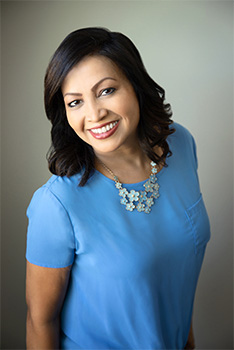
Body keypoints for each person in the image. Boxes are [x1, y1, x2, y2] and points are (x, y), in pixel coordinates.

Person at [25, 27, 210, 350]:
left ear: (136, 86)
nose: (94, 115)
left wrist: (186, 339)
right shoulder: (56, 204)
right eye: (75, 102)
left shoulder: (180, 143)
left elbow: (173, 267)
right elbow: (41, 320)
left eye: (107, 90)